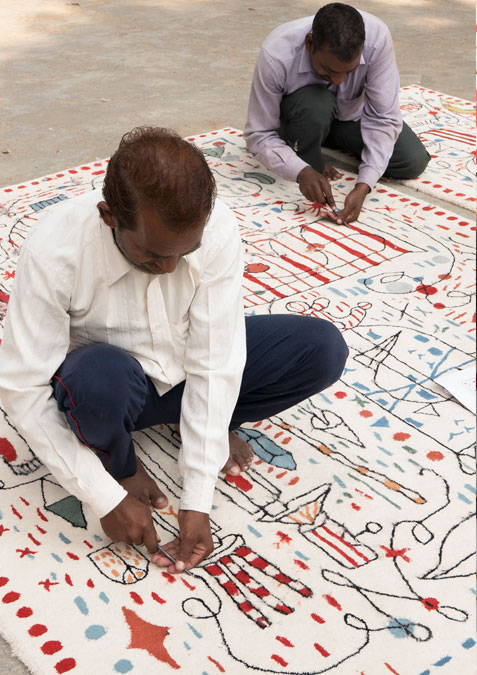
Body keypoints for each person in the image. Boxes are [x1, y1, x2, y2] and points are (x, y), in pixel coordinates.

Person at [0, 127, 348, 573]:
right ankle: (120, 463)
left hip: (182, 362)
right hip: (118, 389)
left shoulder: (216, 226)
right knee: (94, 379)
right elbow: (23, 388)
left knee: (320, 348)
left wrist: (198, 497)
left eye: (186, 253)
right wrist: (104, 494)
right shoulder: (55, 250)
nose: (169, 268)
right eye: (153, 254)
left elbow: (216, 356)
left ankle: (203, 427)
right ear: (110, 217)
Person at [244, 2, 430, 224]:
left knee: (411, 160)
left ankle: (318, 138)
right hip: (302, 115)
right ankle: (306, 146)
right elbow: (259, 134)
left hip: (348, 117)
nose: (339, 80)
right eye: (328, 70)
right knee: (315, 104)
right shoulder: (277, 54)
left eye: (350, 71)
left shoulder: (376, 40)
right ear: (309, 43)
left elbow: (383, 118)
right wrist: (301, 171)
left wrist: (363, 186)